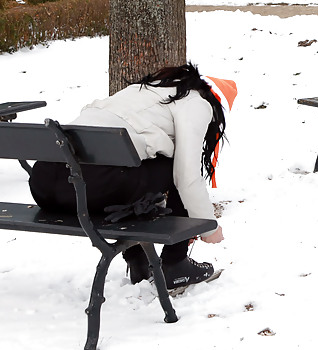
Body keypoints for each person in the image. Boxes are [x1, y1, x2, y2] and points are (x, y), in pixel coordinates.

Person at [28, 64, 236, 287]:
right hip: (93, 188)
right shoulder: (196, 102)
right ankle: (175, 264)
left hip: (44, 185)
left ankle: (138, 260)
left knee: (130, 174)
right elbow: (187, 176)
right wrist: (208, 226)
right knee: (177, 165)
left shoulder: (141, 91)